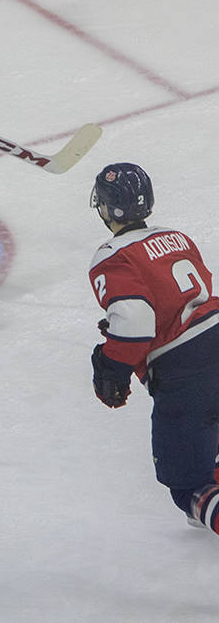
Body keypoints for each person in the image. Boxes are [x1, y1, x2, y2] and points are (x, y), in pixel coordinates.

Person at [86, 162, 219, 535]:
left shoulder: (112, 255)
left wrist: (112, 366)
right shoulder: (178, 237)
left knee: (189, 487)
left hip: (186, 369)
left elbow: (134, 320)